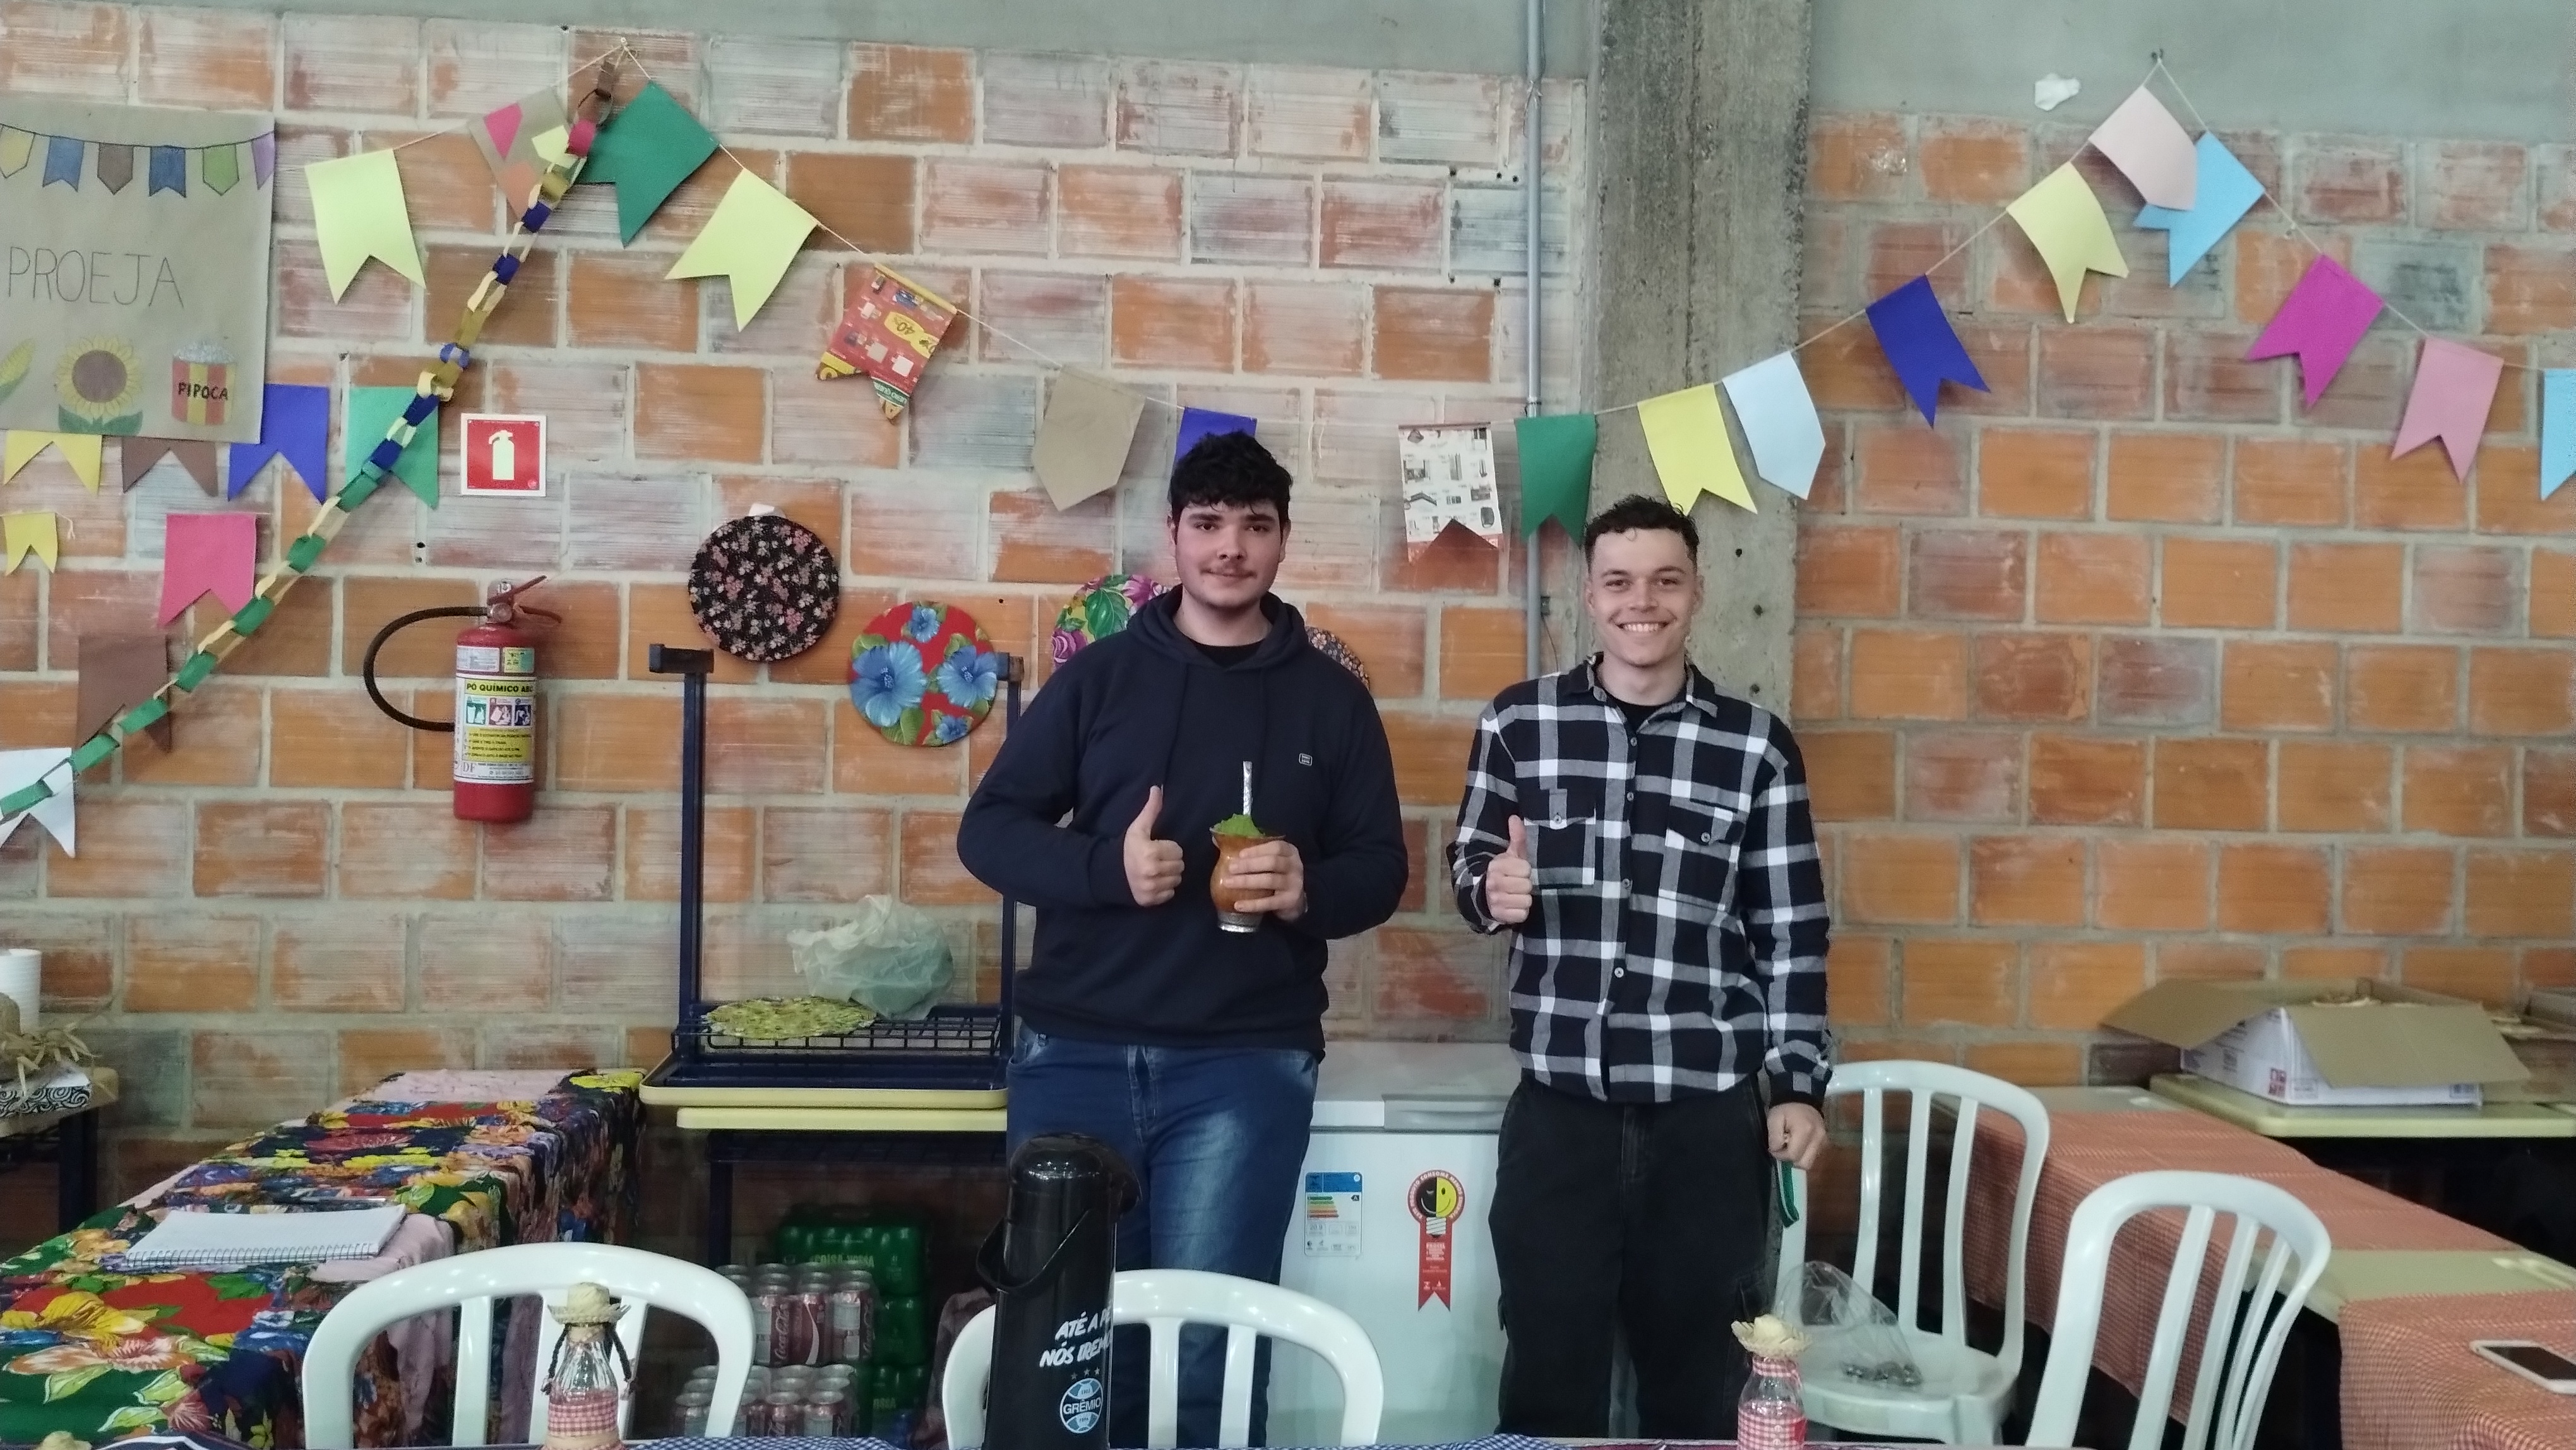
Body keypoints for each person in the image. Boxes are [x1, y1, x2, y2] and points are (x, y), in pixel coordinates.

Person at [956, 429, 1409, 1447]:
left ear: (1284, 540)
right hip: (1074, 1056)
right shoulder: (1101, 679)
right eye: (1207, 524)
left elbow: (1381, 870)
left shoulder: (1332, 702)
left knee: (1210, 1354)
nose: (1229, 548)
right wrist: (1103, 871)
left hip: (1242, 1067)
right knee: (1071, 1352)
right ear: (1173, 536)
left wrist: (1306, 887)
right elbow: (989, 831)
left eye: (1255, 526)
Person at [1448, 492, 1831, 1439]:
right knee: (1547, 1373)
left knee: (1699, 1384)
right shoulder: (1518, 724)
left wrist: (1798, 1084)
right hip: (1559, 1115)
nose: (1642, 602)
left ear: (1698, 592)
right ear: (1589, 595)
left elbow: (1792, 931)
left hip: (1707, 1124)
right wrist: (1491, 887)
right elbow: (1470, 867)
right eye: (1618, 582)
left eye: (1666, 580)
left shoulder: (1757, 748)